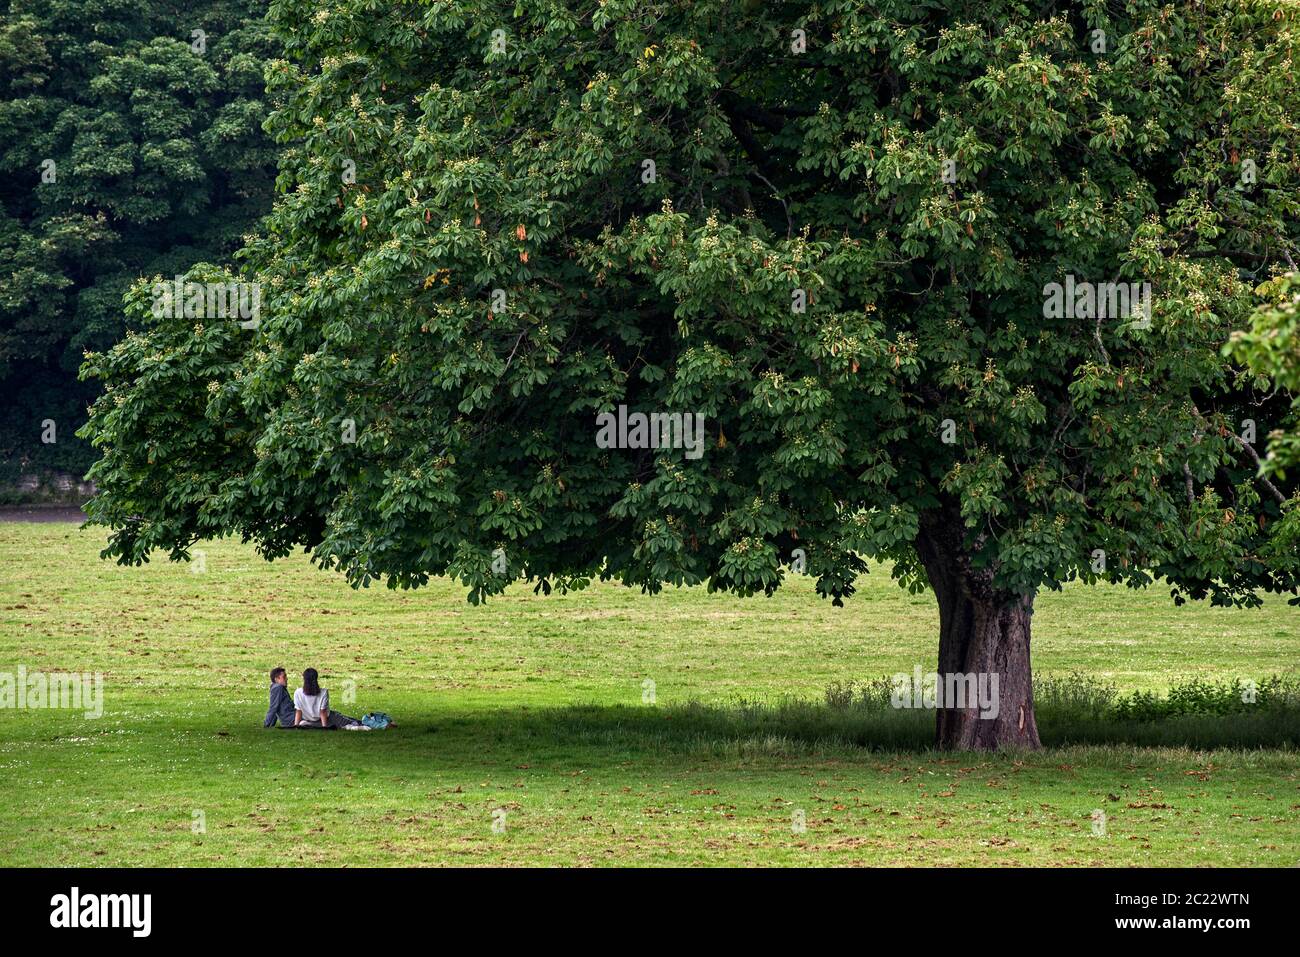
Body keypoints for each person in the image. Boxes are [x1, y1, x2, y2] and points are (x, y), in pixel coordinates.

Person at [293, 668, 367, 730]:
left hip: (311, 720)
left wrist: (296, 726)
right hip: (328, 717)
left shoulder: (298, 692)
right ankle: (366, 723)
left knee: (340, 717)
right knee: (352, 722)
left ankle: (307, 724)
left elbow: (298, 711)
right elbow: (323, 712)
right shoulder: (324, 692)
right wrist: (324, 727)